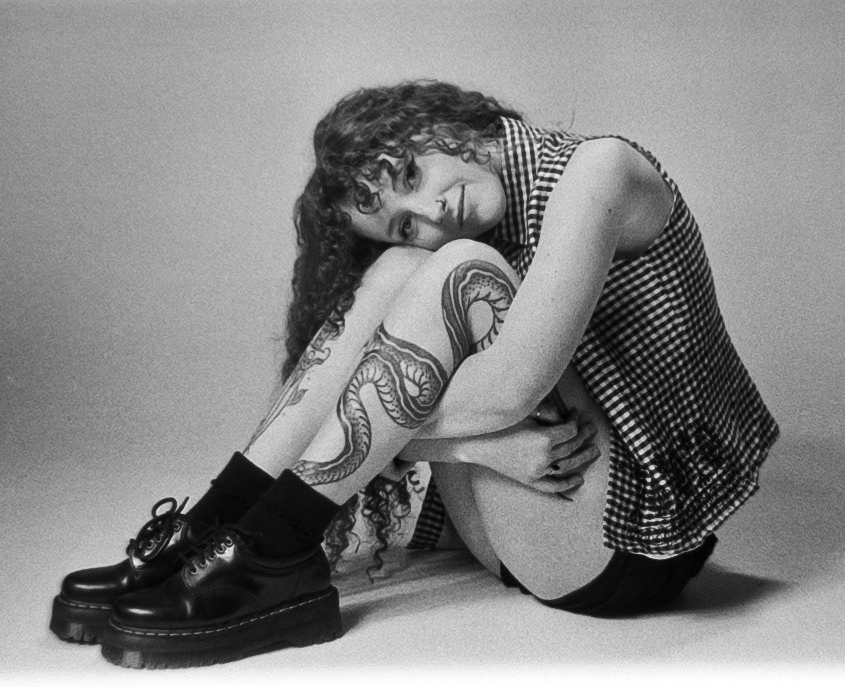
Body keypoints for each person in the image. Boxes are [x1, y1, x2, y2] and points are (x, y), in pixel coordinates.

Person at [49, 80, 779, 669]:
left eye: (410, 173)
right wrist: (472, 446)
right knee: (407, 269)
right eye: (403, 219)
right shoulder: (468, 225)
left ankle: (273, 546)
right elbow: (473, 412)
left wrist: (402, 434)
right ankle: (218, 525)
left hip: (628, 544)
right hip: (524, 517)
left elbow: (512, 389)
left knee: (459, 269)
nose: (431, 211)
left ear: (443, 126)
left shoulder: (600, 171)